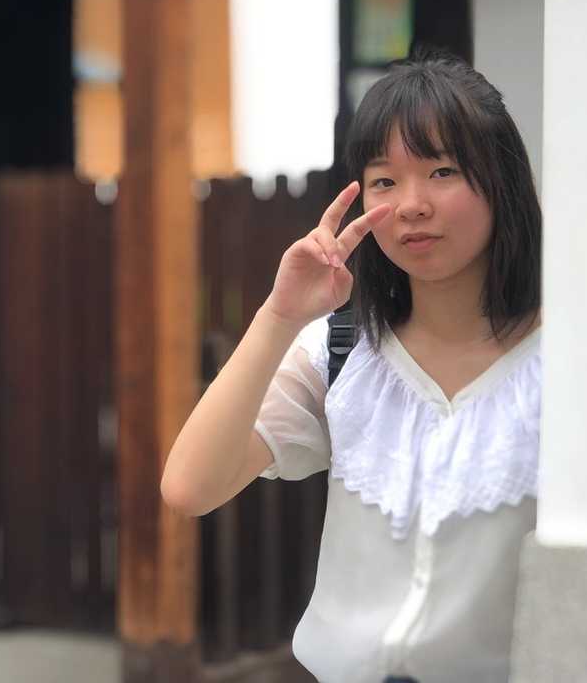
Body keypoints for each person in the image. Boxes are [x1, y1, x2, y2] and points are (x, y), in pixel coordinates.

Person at [162, 51, 543, 682]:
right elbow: (190, 487)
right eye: (385, 181)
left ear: (500, 182)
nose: (412, 204)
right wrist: (279, 315)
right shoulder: (341, 352)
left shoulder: (562, 362)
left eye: (443, 171)